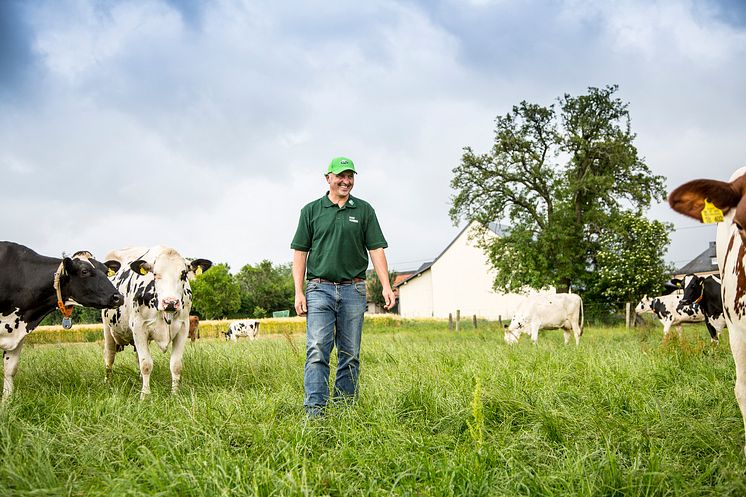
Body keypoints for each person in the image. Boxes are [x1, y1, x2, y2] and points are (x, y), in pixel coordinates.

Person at [291, 156, 396, 417]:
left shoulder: (364, 210)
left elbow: (376, 248)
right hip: (319, 289)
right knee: (317, 350)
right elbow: (300, 253)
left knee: (350, 353)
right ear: (328, 178)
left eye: (350, 176)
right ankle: (315, 412)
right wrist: (298, 291)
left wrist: (386, 285)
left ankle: (345, 409)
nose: (346, 181)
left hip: (354, 290)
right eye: (340, 176)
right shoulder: (311, 211)